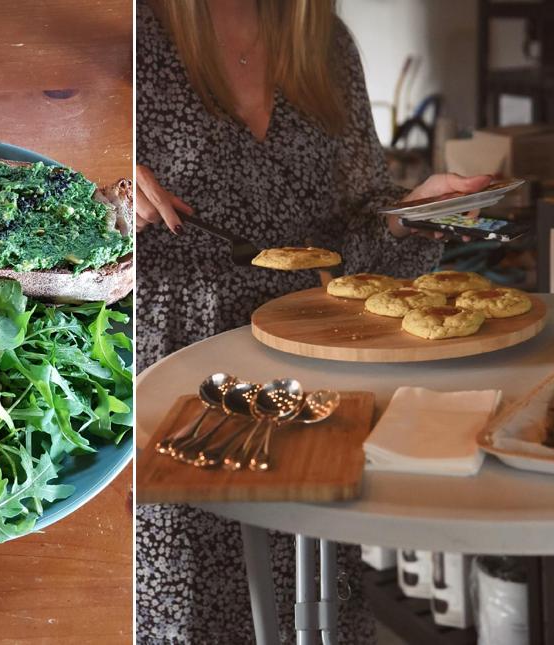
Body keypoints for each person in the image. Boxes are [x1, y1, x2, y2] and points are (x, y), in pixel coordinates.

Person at [134, 1, 491, 641]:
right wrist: (98, 199)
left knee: (314, 590)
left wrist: (408, 213)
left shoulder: (324, 43)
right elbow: (42, 221)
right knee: (188, 601)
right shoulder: (124, 31)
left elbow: (353, 234)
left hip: (310, 359)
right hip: (170, 365)